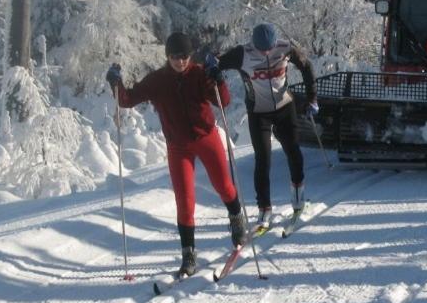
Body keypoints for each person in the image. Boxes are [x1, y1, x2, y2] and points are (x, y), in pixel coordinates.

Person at [106, 31, 245, 278]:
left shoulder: (200, 73)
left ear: (190, 56)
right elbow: (127, 100)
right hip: (177, 146)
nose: (181, 61)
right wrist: (115, 83)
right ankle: (188, 254)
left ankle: (236, 216)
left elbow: (223, 101)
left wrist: (218, 78)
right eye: (175, 57)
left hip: (206, 138)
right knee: (184, 200)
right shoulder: (157, 81)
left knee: (223, 185)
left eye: (185, 56)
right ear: (167, 56)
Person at [207, 23, 317, 230]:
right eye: (261, 49)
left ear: (275, 42)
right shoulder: (243, 53)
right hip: (259, 113)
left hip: (284, 106)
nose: (266, 52)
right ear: (253, 44)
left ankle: (298, 198)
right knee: (263, 160)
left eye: (269, 48)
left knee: (293, 151)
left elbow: (306, 66)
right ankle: (264, 209)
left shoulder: (286, 47)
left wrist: (312, 98)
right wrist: (212, 66)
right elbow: (216, 63)